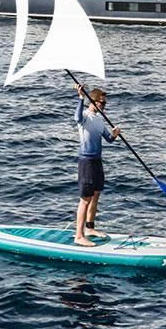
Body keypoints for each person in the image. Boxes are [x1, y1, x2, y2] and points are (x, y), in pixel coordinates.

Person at [72, 83, 119, 246]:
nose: (104, 106)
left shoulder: (100, 120)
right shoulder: (85, 116)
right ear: (93, 102)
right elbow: (76, 118)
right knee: (85, 199)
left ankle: (89, 228)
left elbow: (109, 139)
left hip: (98, 161)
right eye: (102, 103)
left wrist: (115, 135)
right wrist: (80, 98)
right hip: (86, 162)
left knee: (96, 195)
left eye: (105, 103)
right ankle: (79, 236)